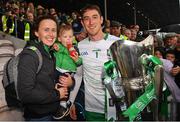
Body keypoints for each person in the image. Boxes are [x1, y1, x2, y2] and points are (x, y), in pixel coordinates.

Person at [71, 4, 120, 121]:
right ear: (82, 23)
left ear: (101, 20)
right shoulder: (80, 46)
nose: (91, 22)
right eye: (86, 19)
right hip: (92, 110)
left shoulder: (118, 43)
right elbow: (78, 75)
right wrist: (71, 101)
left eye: (94, 17)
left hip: (118, 108)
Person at [17, 15, 71, 121]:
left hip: (53, 112)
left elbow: (53, 78)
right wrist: (57, 94)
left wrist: (70, 82)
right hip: (39, 117)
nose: (51, 34)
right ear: (36, 32)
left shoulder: (50, 52)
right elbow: (25, 94)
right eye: (46, 30)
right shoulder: (30, 55)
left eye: (53, 30)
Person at [52, 24, 82, 120]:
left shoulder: (75, 48)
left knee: (63, 83)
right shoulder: (59, 46)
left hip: (67, 72)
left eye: (70, 37)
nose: (68, 39)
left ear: (73, 38)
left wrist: (77, 59)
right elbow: (55, 48)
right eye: (65, 37)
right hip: (56, 69)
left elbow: (80, 63)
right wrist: (55, 46)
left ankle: (63, 104)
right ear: (59, 39)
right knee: (54, 84)